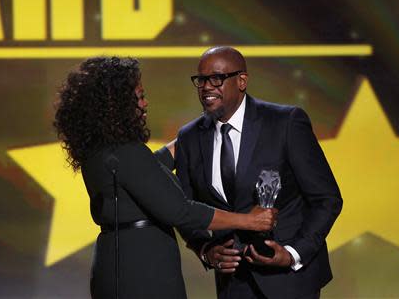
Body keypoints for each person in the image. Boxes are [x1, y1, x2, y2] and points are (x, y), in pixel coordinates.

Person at [53, 56, 277, 299]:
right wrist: (247, 221)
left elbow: (152, 167)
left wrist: (200, 131)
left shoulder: (102, 152)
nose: (145, 103)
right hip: (142, 270)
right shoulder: (125, 151)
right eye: (139, 97)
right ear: (116, 105)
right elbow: (180, 211)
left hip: (117, 264)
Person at [175, 46, 343, 299]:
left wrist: (293, 253)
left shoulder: (285, 122)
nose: (207, 87)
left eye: (217, 79)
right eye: (201, 80)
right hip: (233, 284)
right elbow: (185, 207)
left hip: (289, 280)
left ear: (242, 81)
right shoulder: (189, 137)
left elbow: (327, 199)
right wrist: (205, 248)